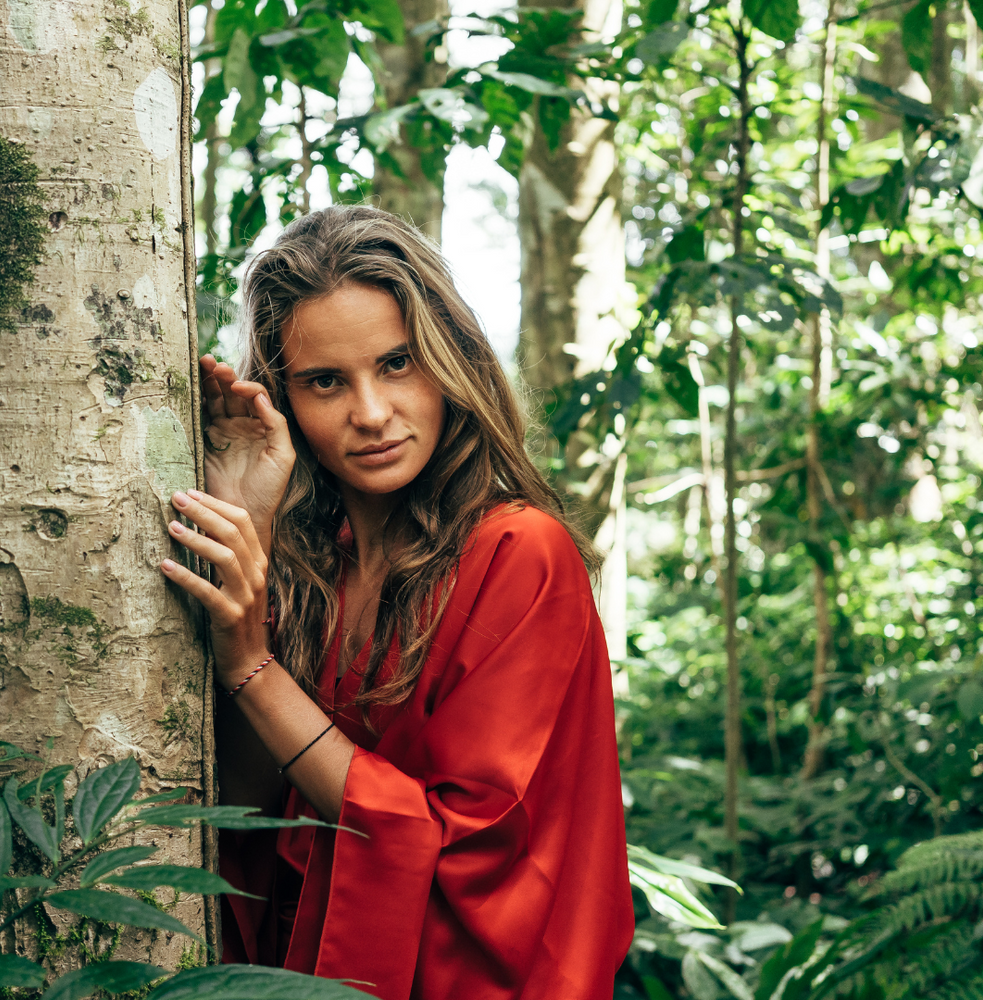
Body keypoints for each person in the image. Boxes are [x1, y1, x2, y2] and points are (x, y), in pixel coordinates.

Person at [157, 205, 632, 1000]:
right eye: (325, 382)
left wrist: (251, 661)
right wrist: (255, 524)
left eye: (398, 364)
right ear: (284, 401)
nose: (371, 413)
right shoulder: (318, 568)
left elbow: (444, 840)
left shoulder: (519, 552)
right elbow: (247, 804)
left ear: (451, 359)